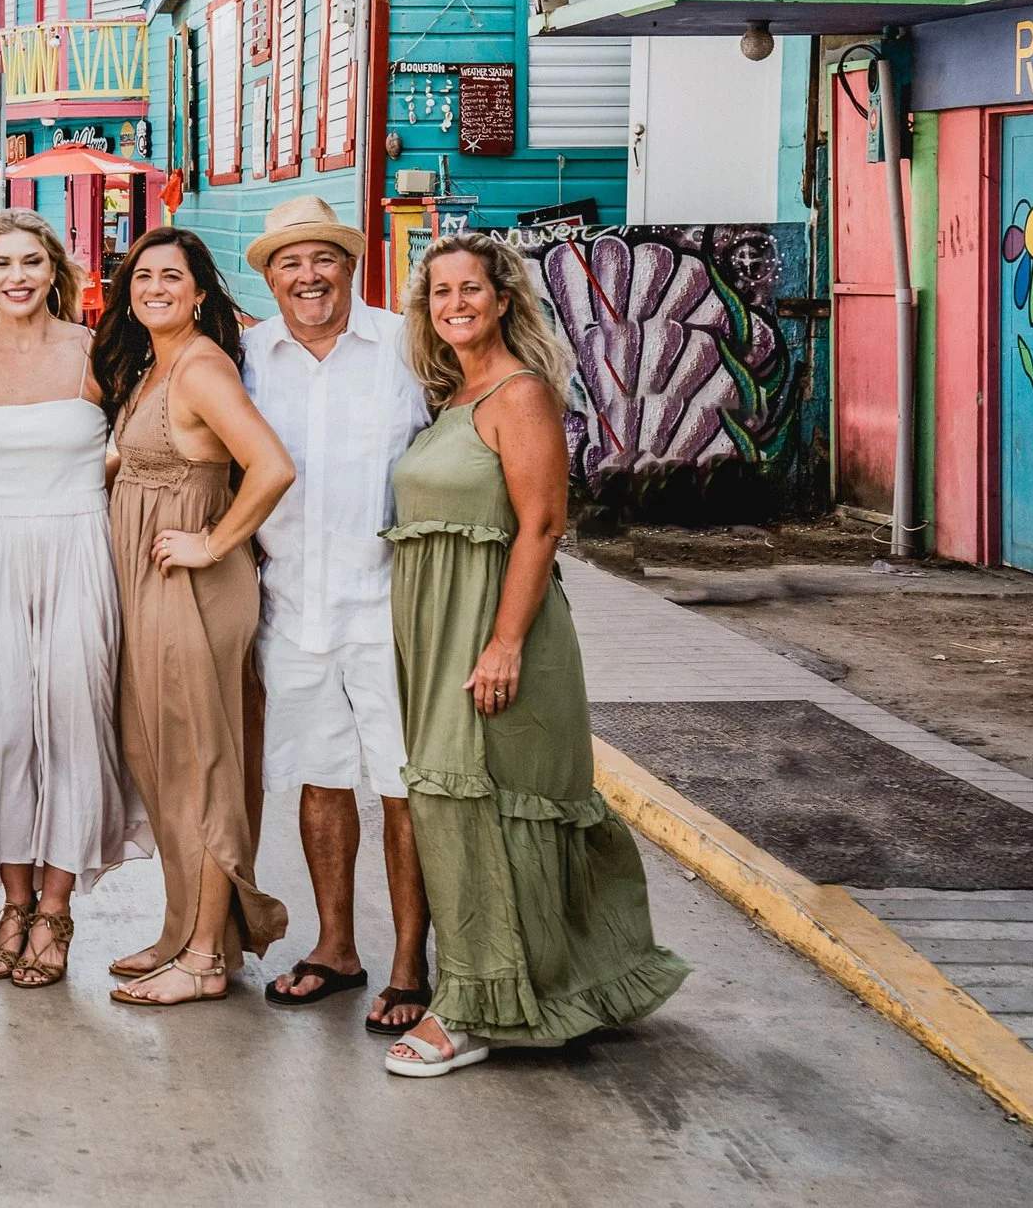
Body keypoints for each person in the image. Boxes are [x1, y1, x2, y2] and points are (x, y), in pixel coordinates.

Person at [381, 235, 688, 1077]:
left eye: (469, 289)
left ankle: (477, 1009)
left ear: (504, 297)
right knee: (466, 802)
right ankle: (535, 986)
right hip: (439, 633)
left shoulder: (519, 394)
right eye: (439, 292)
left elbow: (544, 524)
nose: (454, 304)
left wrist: (505, 642)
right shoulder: (454, 394)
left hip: (495, 632)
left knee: (471, 805)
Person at [0, 210, 147, 990]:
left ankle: (56, 908)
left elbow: (140, 447)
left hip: (78, 546)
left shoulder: (98, 356)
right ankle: (12, 903)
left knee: (74, 723)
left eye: (31, 261)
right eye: (0, 264)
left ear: (55, 269)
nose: (16, 276)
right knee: (1, 729)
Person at [240, 196, 437, 1034]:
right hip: (291, 608)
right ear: (269, 276)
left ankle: (407, 965)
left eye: (323, 258)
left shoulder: (405, 345)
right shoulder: (246, 356)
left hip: (390, 606)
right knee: (321, 782)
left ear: (351, 267)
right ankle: (336, 949)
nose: (308, 276)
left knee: (402, 785)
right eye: (289, 262)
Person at [94, 226, 296, 1007]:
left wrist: (214, 542)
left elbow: (271, 466)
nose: (154, 288)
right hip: (148, 588)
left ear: (200, 290)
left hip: (192, 594)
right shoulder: (154, 364)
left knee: (204, 767)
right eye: (142, 276)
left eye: (171, 277)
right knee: (163, 762)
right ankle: (187, 929)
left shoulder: (203, 367)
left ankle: (209, 957)